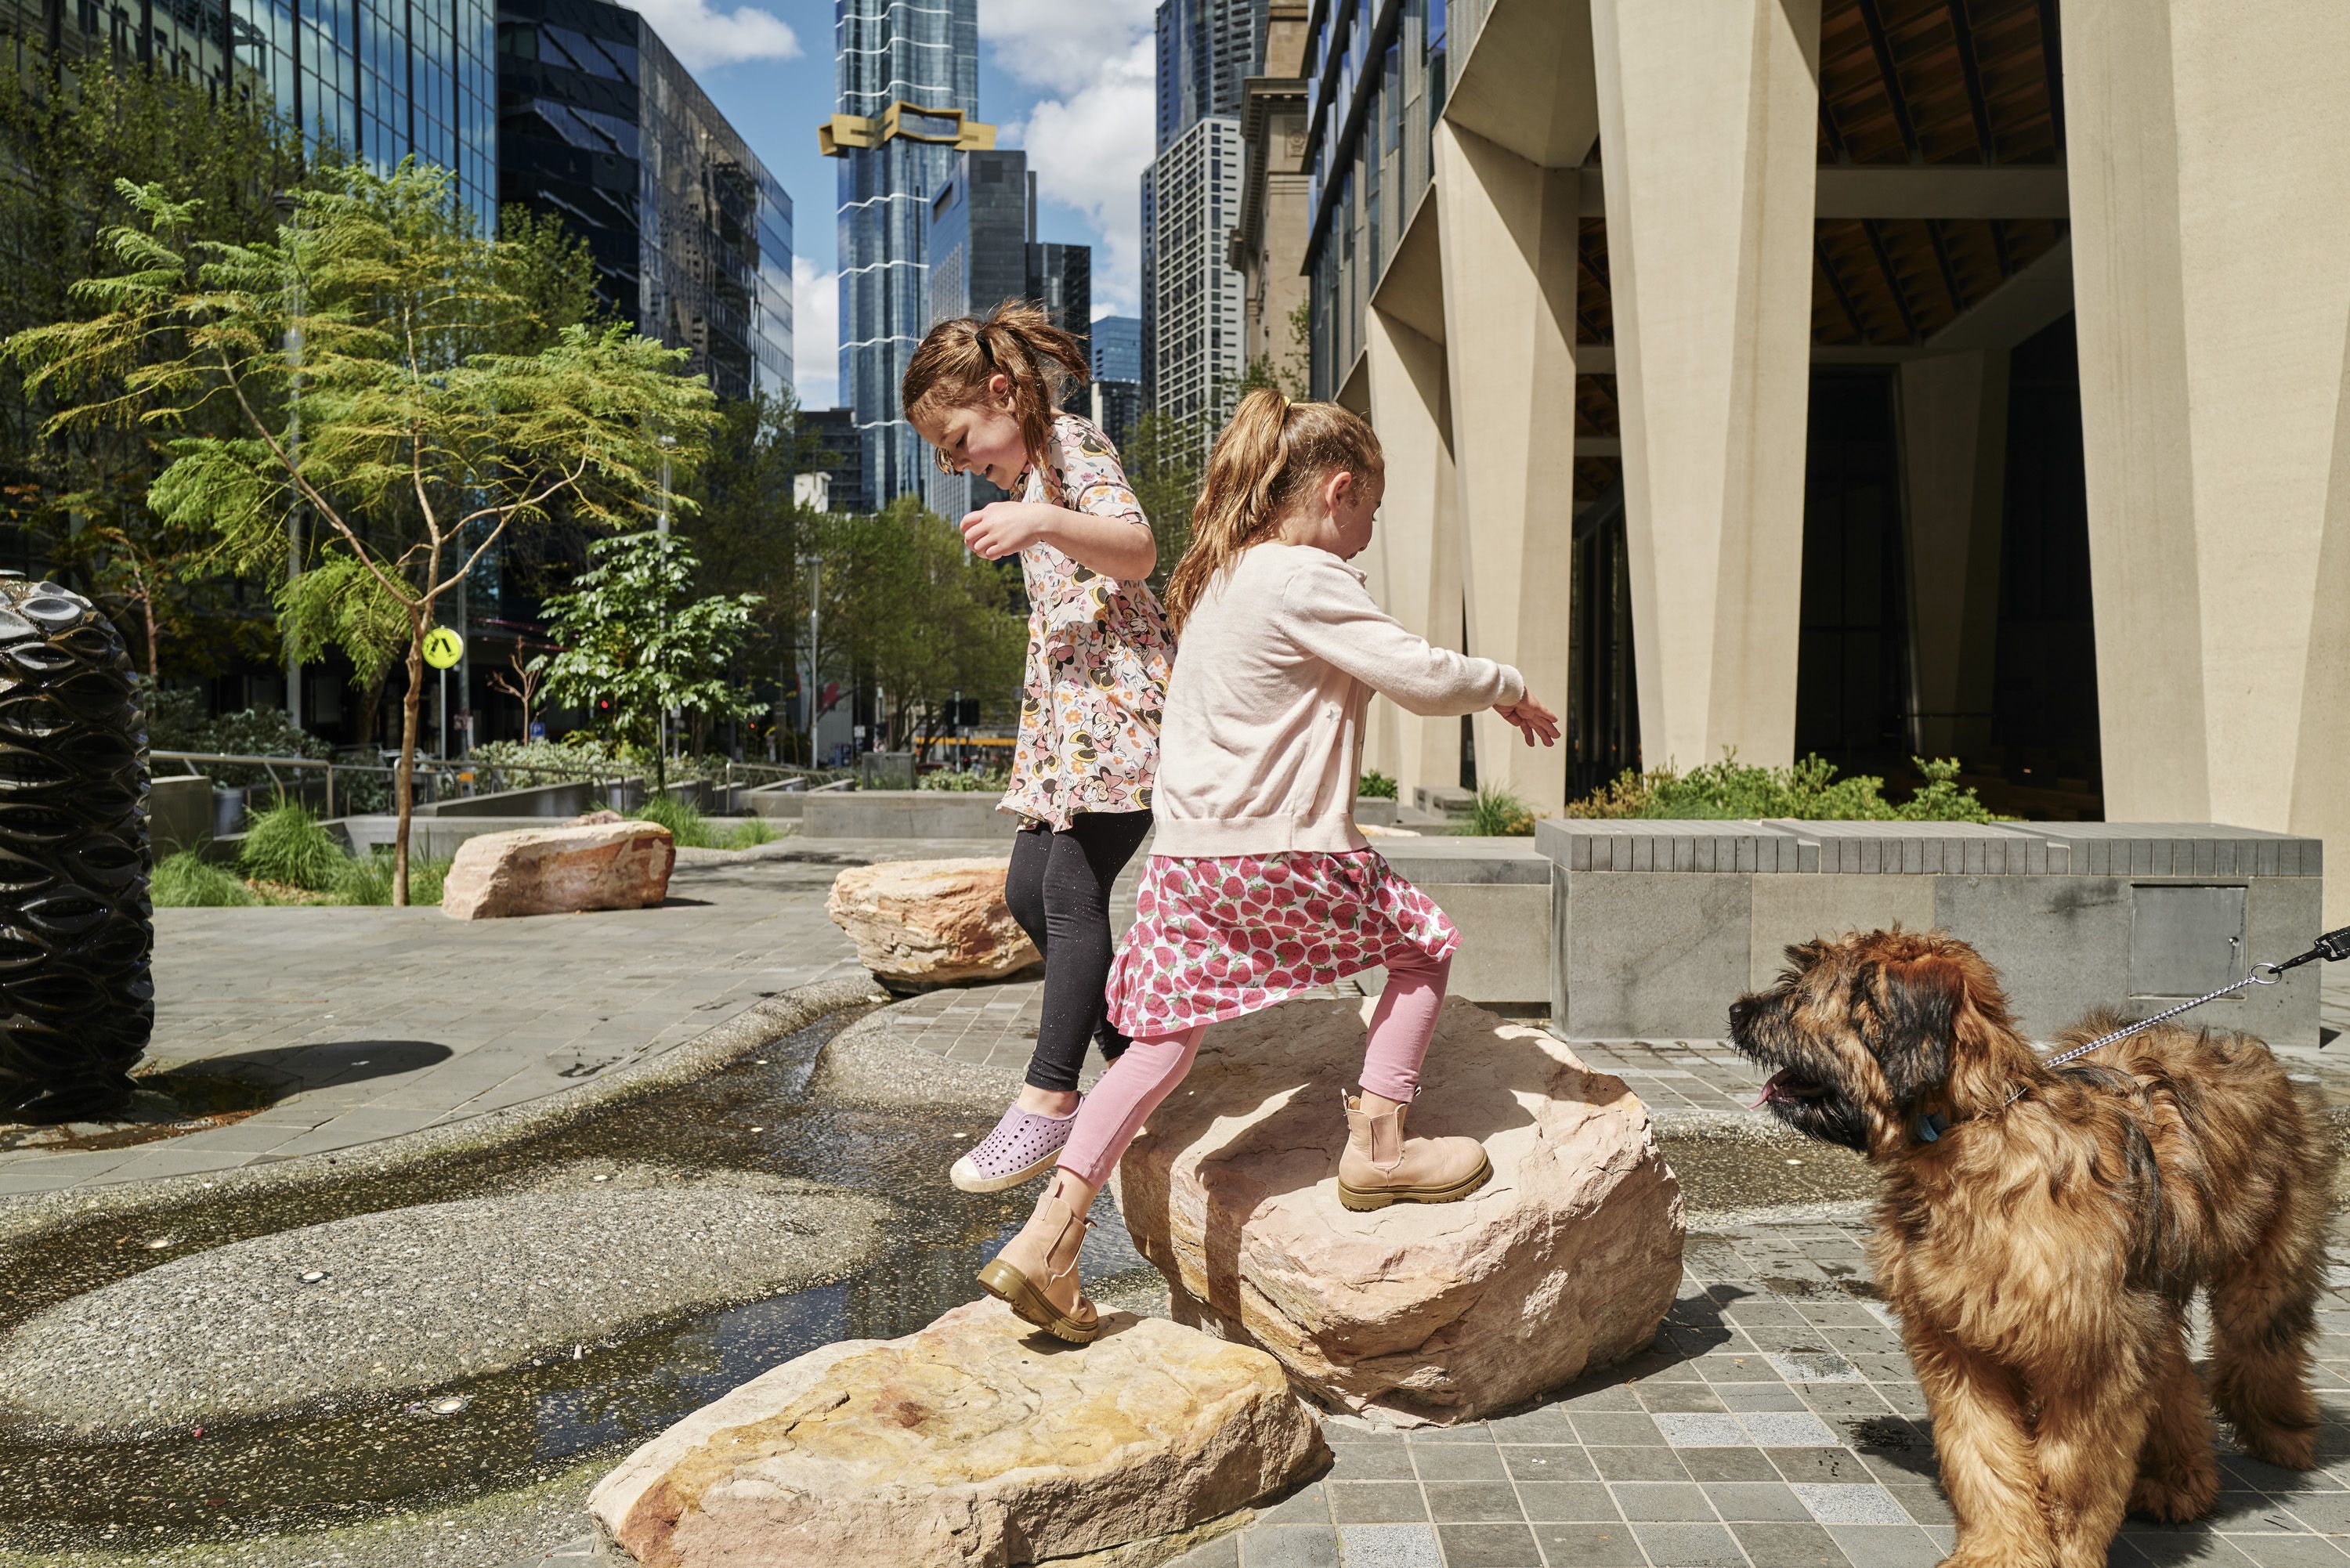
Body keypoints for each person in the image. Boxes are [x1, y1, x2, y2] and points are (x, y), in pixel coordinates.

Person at [975, 389, 1560, 1343]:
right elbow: (1416, 675)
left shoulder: (1223, 576)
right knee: (1424, 947)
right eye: (1369, 511)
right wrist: (1507, 684)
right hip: (1280, 852)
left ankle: (1050, 1233)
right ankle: (1377, 1148)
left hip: (1188, 861)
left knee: (1164, 1038)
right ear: (1337, 492)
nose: (1367, 537)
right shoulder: (1305, 576)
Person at [902, 300, 1177, 1194]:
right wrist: (1030, 515)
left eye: (957, 438)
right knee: (1029, 887)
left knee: (1068, 889)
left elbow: (1136, 550)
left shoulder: (1073, 447)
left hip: (1123, 713)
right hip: (1072, 727)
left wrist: (1040, 521)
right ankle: (1138, 1067)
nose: (956, 463)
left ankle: (1050, 1103)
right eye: (945, 453)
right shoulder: (1031, 480)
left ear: (1001, 392)